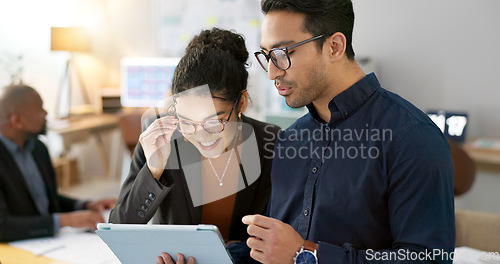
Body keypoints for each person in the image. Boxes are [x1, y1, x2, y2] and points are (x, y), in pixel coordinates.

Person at [241, 0, 455, 264]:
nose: (272, 71)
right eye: (266, 55)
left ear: (334, 47)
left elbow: (429, 259)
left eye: (284, 52)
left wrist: (307, 254)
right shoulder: (290, 140)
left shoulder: (412, 139)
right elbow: (275, 248)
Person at [108, 28, 281, 263]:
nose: (201, 135)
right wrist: (154, 171)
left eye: (214, 121)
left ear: (241, 103)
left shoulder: (270, 143)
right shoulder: (161, 136)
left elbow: (276, 240)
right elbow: (120, 229)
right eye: (187, 121)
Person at [0, 84, 116, 242]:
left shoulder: (37, 148)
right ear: (17, 120)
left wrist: (84, 205)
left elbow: (48, 200)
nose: (46, 114)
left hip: (48, 242)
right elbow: (2, 226)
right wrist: (66, 220)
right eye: (40, 110)